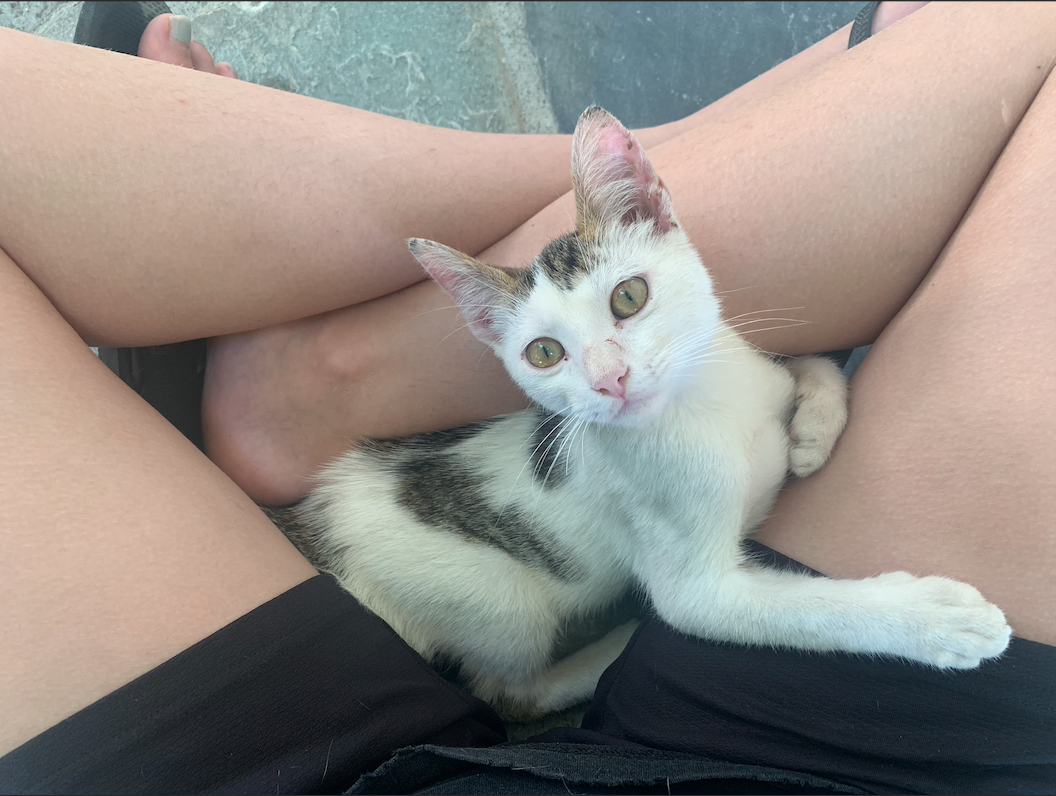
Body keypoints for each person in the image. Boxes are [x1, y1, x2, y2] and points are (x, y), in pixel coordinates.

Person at [0, 1, 1052, 792]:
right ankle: (314, 363)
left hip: (290, 768)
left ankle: (305, 374)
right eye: (555, 352)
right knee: (1010, 32)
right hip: (793, 756)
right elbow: (697, 587)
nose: (604, 372)